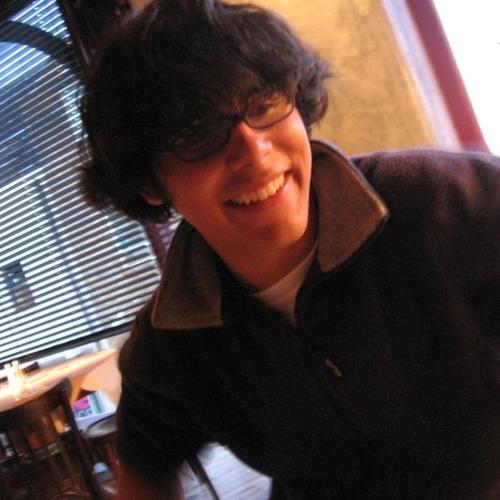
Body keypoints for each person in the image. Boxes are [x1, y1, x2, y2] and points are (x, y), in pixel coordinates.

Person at [79, 0, 500, 498]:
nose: (254, 150)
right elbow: (144, 474)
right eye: (198, 134)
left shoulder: (448, 202)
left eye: (262, 106)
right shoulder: (172, 344)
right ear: (150, 183)